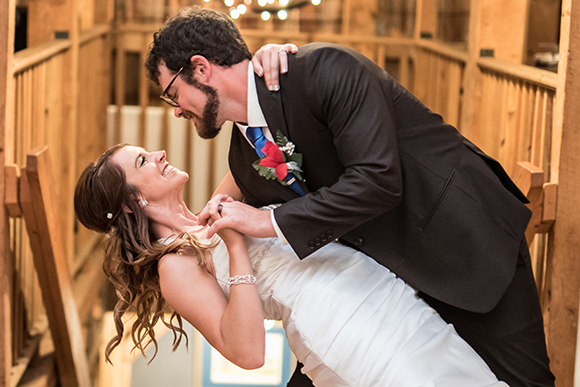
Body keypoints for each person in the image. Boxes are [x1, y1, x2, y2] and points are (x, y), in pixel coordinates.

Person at [143, 6, 554, 386]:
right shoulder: (242, 152)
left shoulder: (324, 69)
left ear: (200, 68)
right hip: (389, 289)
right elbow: (210, 220)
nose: (176, 110)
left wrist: (266, 222)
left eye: (172, 93)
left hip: (461, 242)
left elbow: (378, 180)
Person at [74, 143, 509, 386]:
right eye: (144, 161)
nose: (160, 154)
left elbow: (253, 143)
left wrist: (272, 60)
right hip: (346, 331)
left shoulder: (213, 209)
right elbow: (246, 352)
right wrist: (237, 244)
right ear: (136, 204)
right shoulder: (175, 266)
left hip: (387, 301)